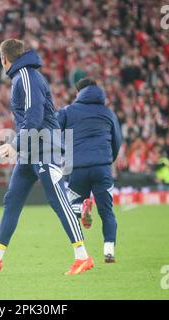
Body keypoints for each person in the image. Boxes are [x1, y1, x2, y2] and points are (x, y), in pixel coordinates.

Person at [0, 39, 93, 275]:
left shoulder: (25, 76)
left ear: (4, 59)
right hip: (31, 150)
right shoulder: (24, 76)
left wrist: (14, 145)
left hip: (44, 149)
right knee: (12, 198)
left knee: (58, 202)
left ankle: (83, 256)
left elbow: (34, 118)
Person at [56, 78, 121, 263]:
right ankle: (109, 251)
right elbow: (117, 141)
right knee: (107, 212)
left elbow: (51, 128)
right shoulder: (108, 113)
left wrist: (64, 152)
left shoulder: (69, 111)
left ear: (79, 93)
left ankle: (82, 251)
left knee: (69, 209)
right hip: (102, 169)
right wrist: (107, 160)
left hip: (78, 170)